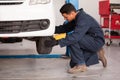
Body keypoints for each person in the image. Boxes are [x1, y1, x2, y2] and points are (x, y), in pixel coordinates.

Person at [45, 3, 107, 74]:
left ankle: (81, 65)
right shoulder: (77, 17)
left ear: (72, 13)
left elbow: (75, 37)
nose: (65, 19)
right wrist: (49, 29)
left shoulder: (83, 19)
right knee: (73, 64)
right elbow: (65, 28)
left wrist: (57, 42)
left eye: (66, 17)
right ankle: (98, 55)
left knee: (73, 39)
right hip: (90, 39)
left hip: (96, 41)